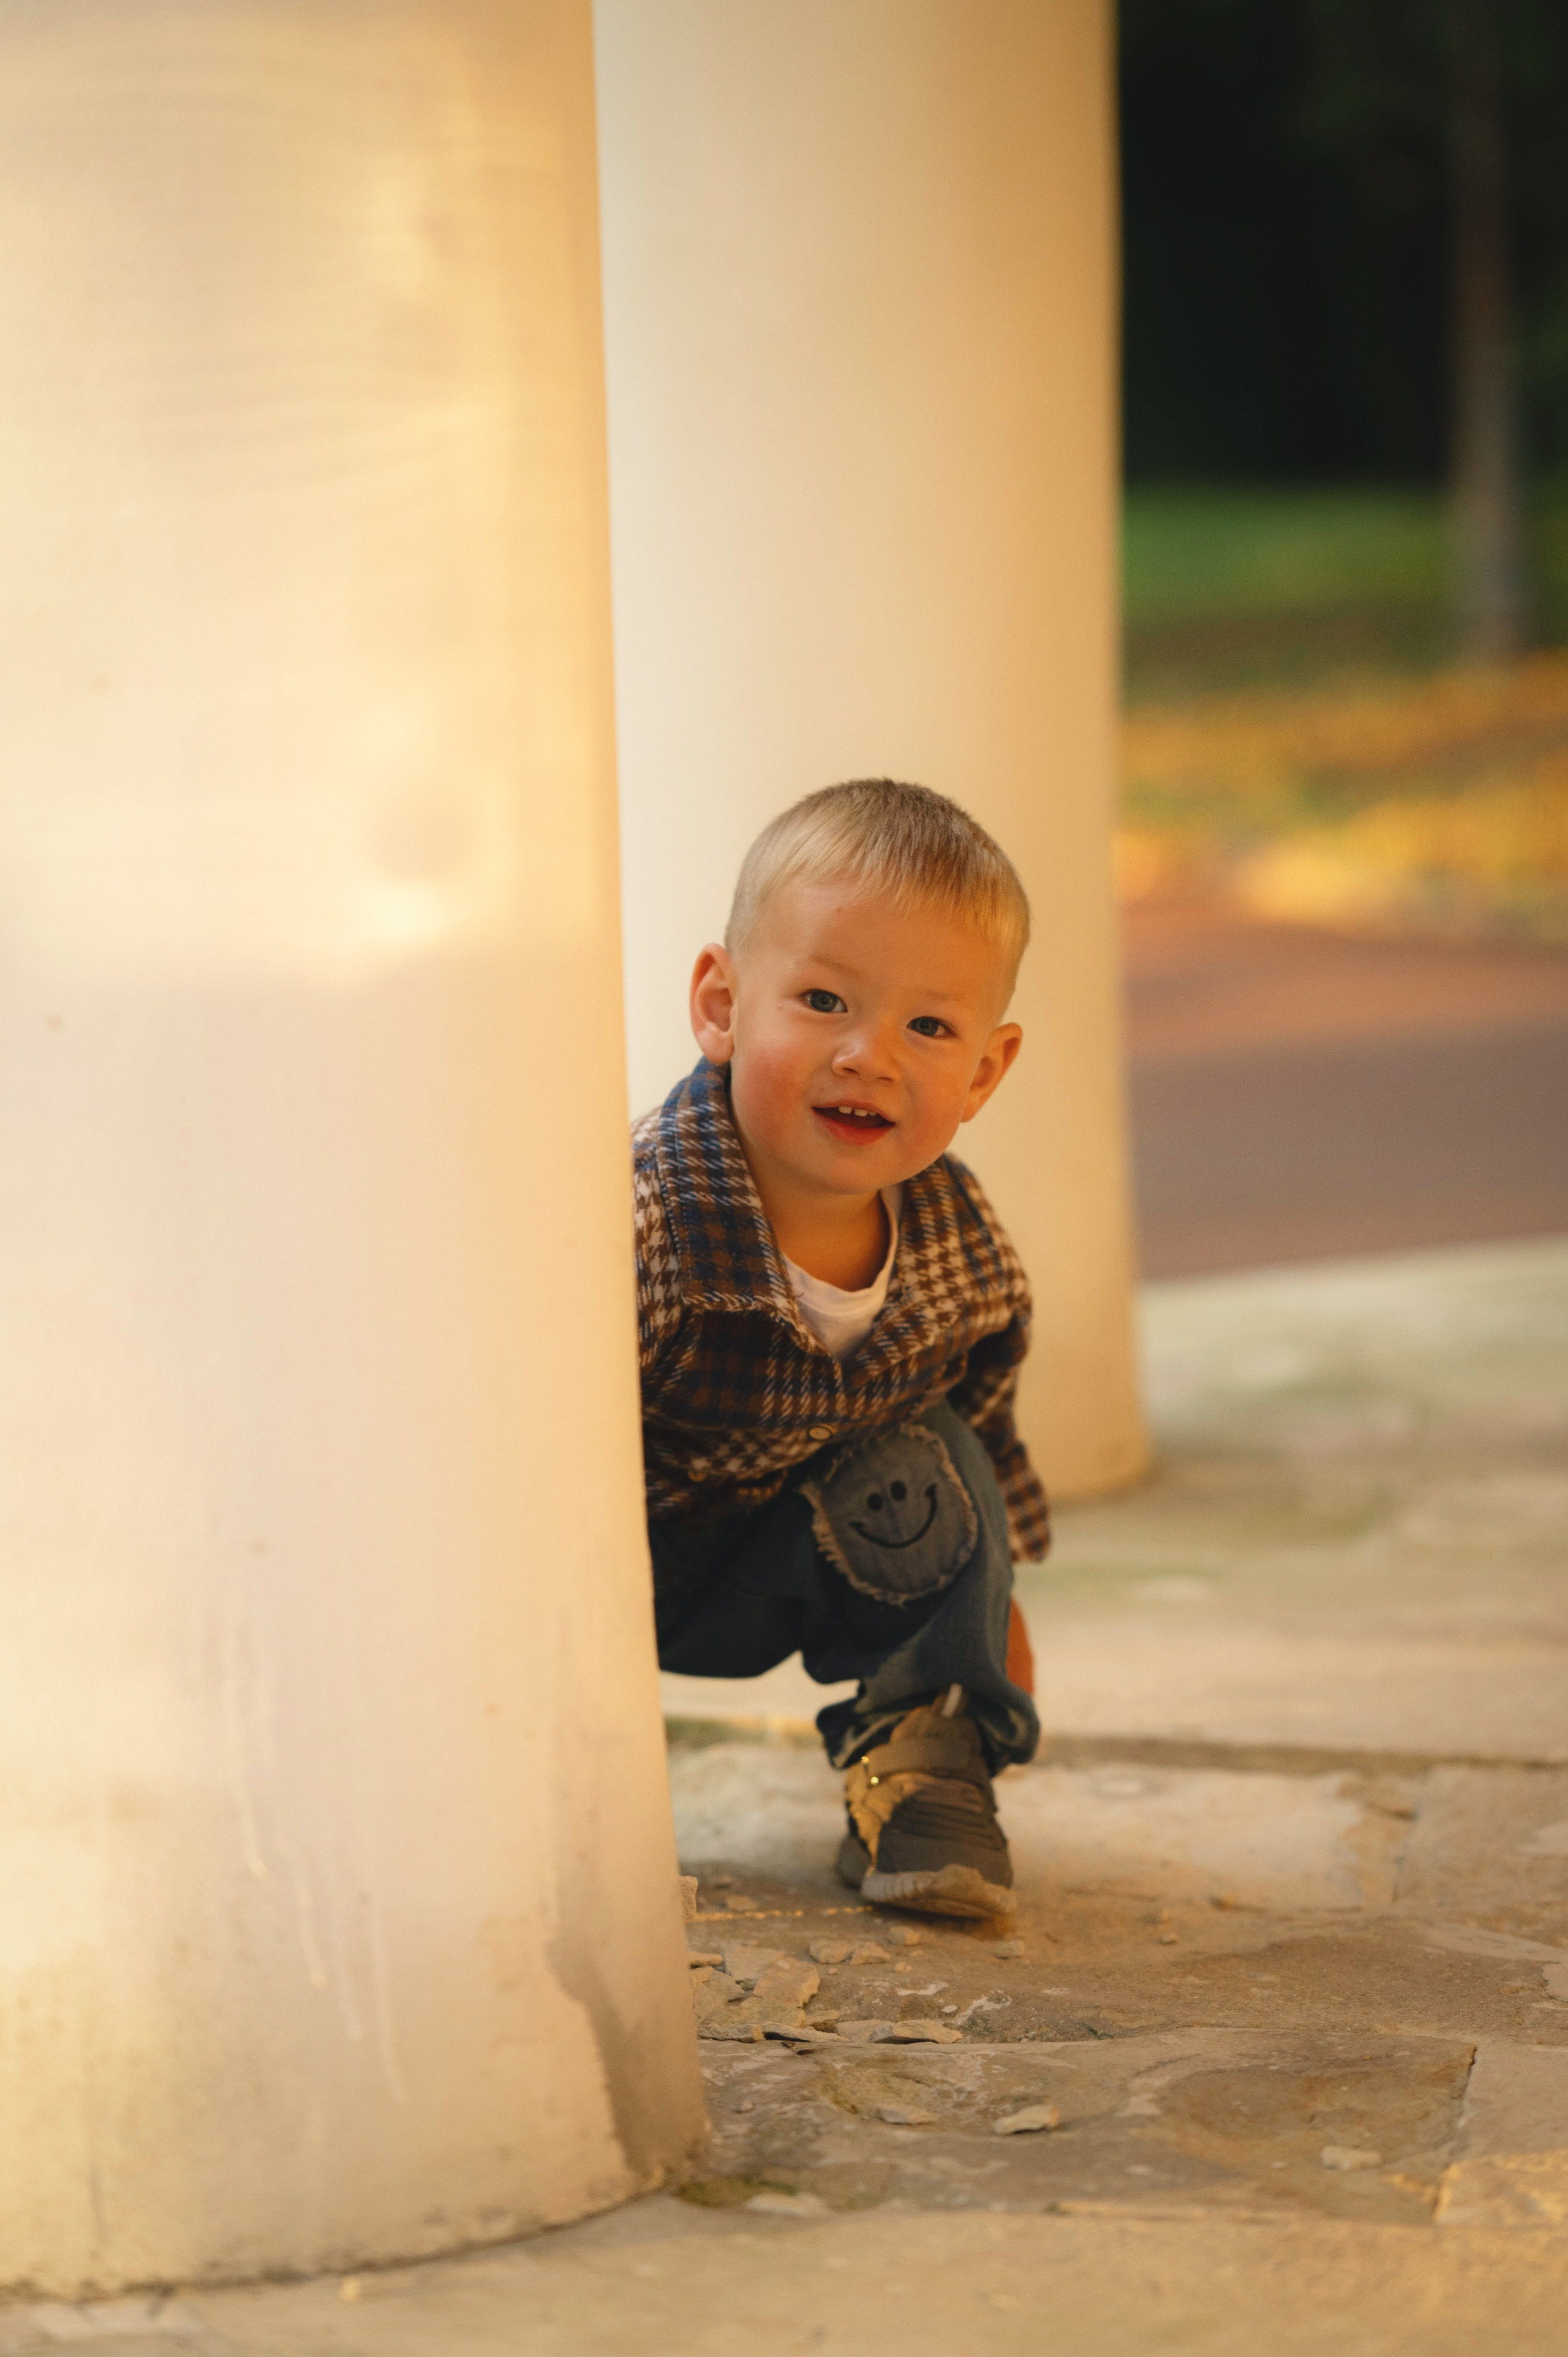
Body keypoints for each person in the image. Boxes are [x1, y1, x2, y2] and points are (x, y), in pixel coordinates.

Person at [635, 778, 1047, 1920]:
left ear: (984, 1071)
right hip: (608, 1574)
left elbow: (985, 1416)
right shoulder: (648, 1220)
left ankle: (920, 1765)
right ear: (720, 1004)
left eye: (928, 1026)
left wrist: (988, 1602)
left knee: (933, 1448)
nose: (870, 1055)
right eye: (822, 1000)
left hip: (781, 1565)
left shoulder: (957, 1238)